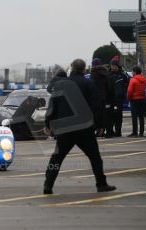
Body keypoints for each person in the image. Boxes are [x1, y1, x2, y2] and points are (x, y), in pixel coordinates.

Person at [43, 59, 116, 195]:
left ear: (71, 68)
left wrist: (48, 123)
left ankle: (48, 184)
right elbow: (97, 105)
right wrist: (100, 125)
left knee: (57, 158)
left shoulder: (60, 85)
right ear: (84, 70)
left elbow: (52, 105)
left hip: (65, 128)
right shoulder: (88, 84)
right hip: (84, 127)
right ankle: (101, 184)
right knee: (95, 157)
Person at [107, 56, 129, 138]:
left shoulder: (122, 75)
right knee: (111, 116)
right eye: (112, 65)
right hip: (111, 99)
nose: (113, 67)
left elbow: (128, 83)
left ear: (117, 66)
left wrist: (123, 92)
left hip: (119, 99)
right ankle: (110, 131)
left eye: (114, 66)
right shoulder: (108, 75)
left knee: (119, 116)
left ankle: (118, 131)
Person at [90, 58, 112, 137]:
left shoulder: (93, 73)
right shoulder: (105, 72)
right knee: (103, 114)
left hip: (96, 97)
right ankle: (102, 129)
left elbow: (92, 85)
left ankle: (98, 130)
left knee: (96, 115)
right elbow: (108, 86)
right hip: (104, 96)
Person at [127, 66, 146, 138]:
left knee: (134, 117)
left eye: (132, 71)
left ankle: (135, 133)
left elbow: (129, 91)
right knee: (141, 117)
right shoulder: (144, 79)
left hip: (134, 100)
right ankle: (141, 133)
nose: (132, 73)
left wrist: (129, 98)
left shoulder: (133, 80)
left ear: (135, 72)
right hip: (142, 99)